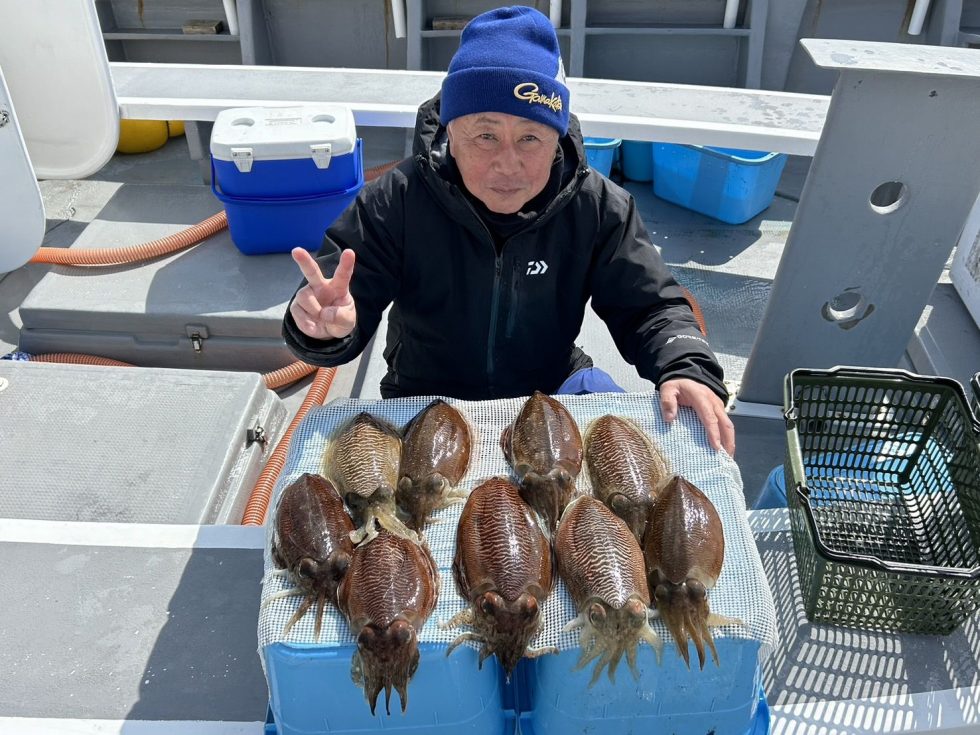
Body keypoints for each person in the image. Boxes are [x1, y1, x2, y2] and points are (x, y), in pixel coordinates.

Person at [282, 5, 735, 456]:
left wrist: (686, 366)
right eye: (485, 135)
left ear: (557, 138)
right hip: (423, 399)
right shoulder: (394, 200)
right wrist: (326, 329)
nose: (508, 163)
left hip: (549, 394)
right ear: (451, 131)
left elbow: (651, 306)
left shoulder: (597, 206)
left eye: (530, 138)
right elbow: (339, 298)